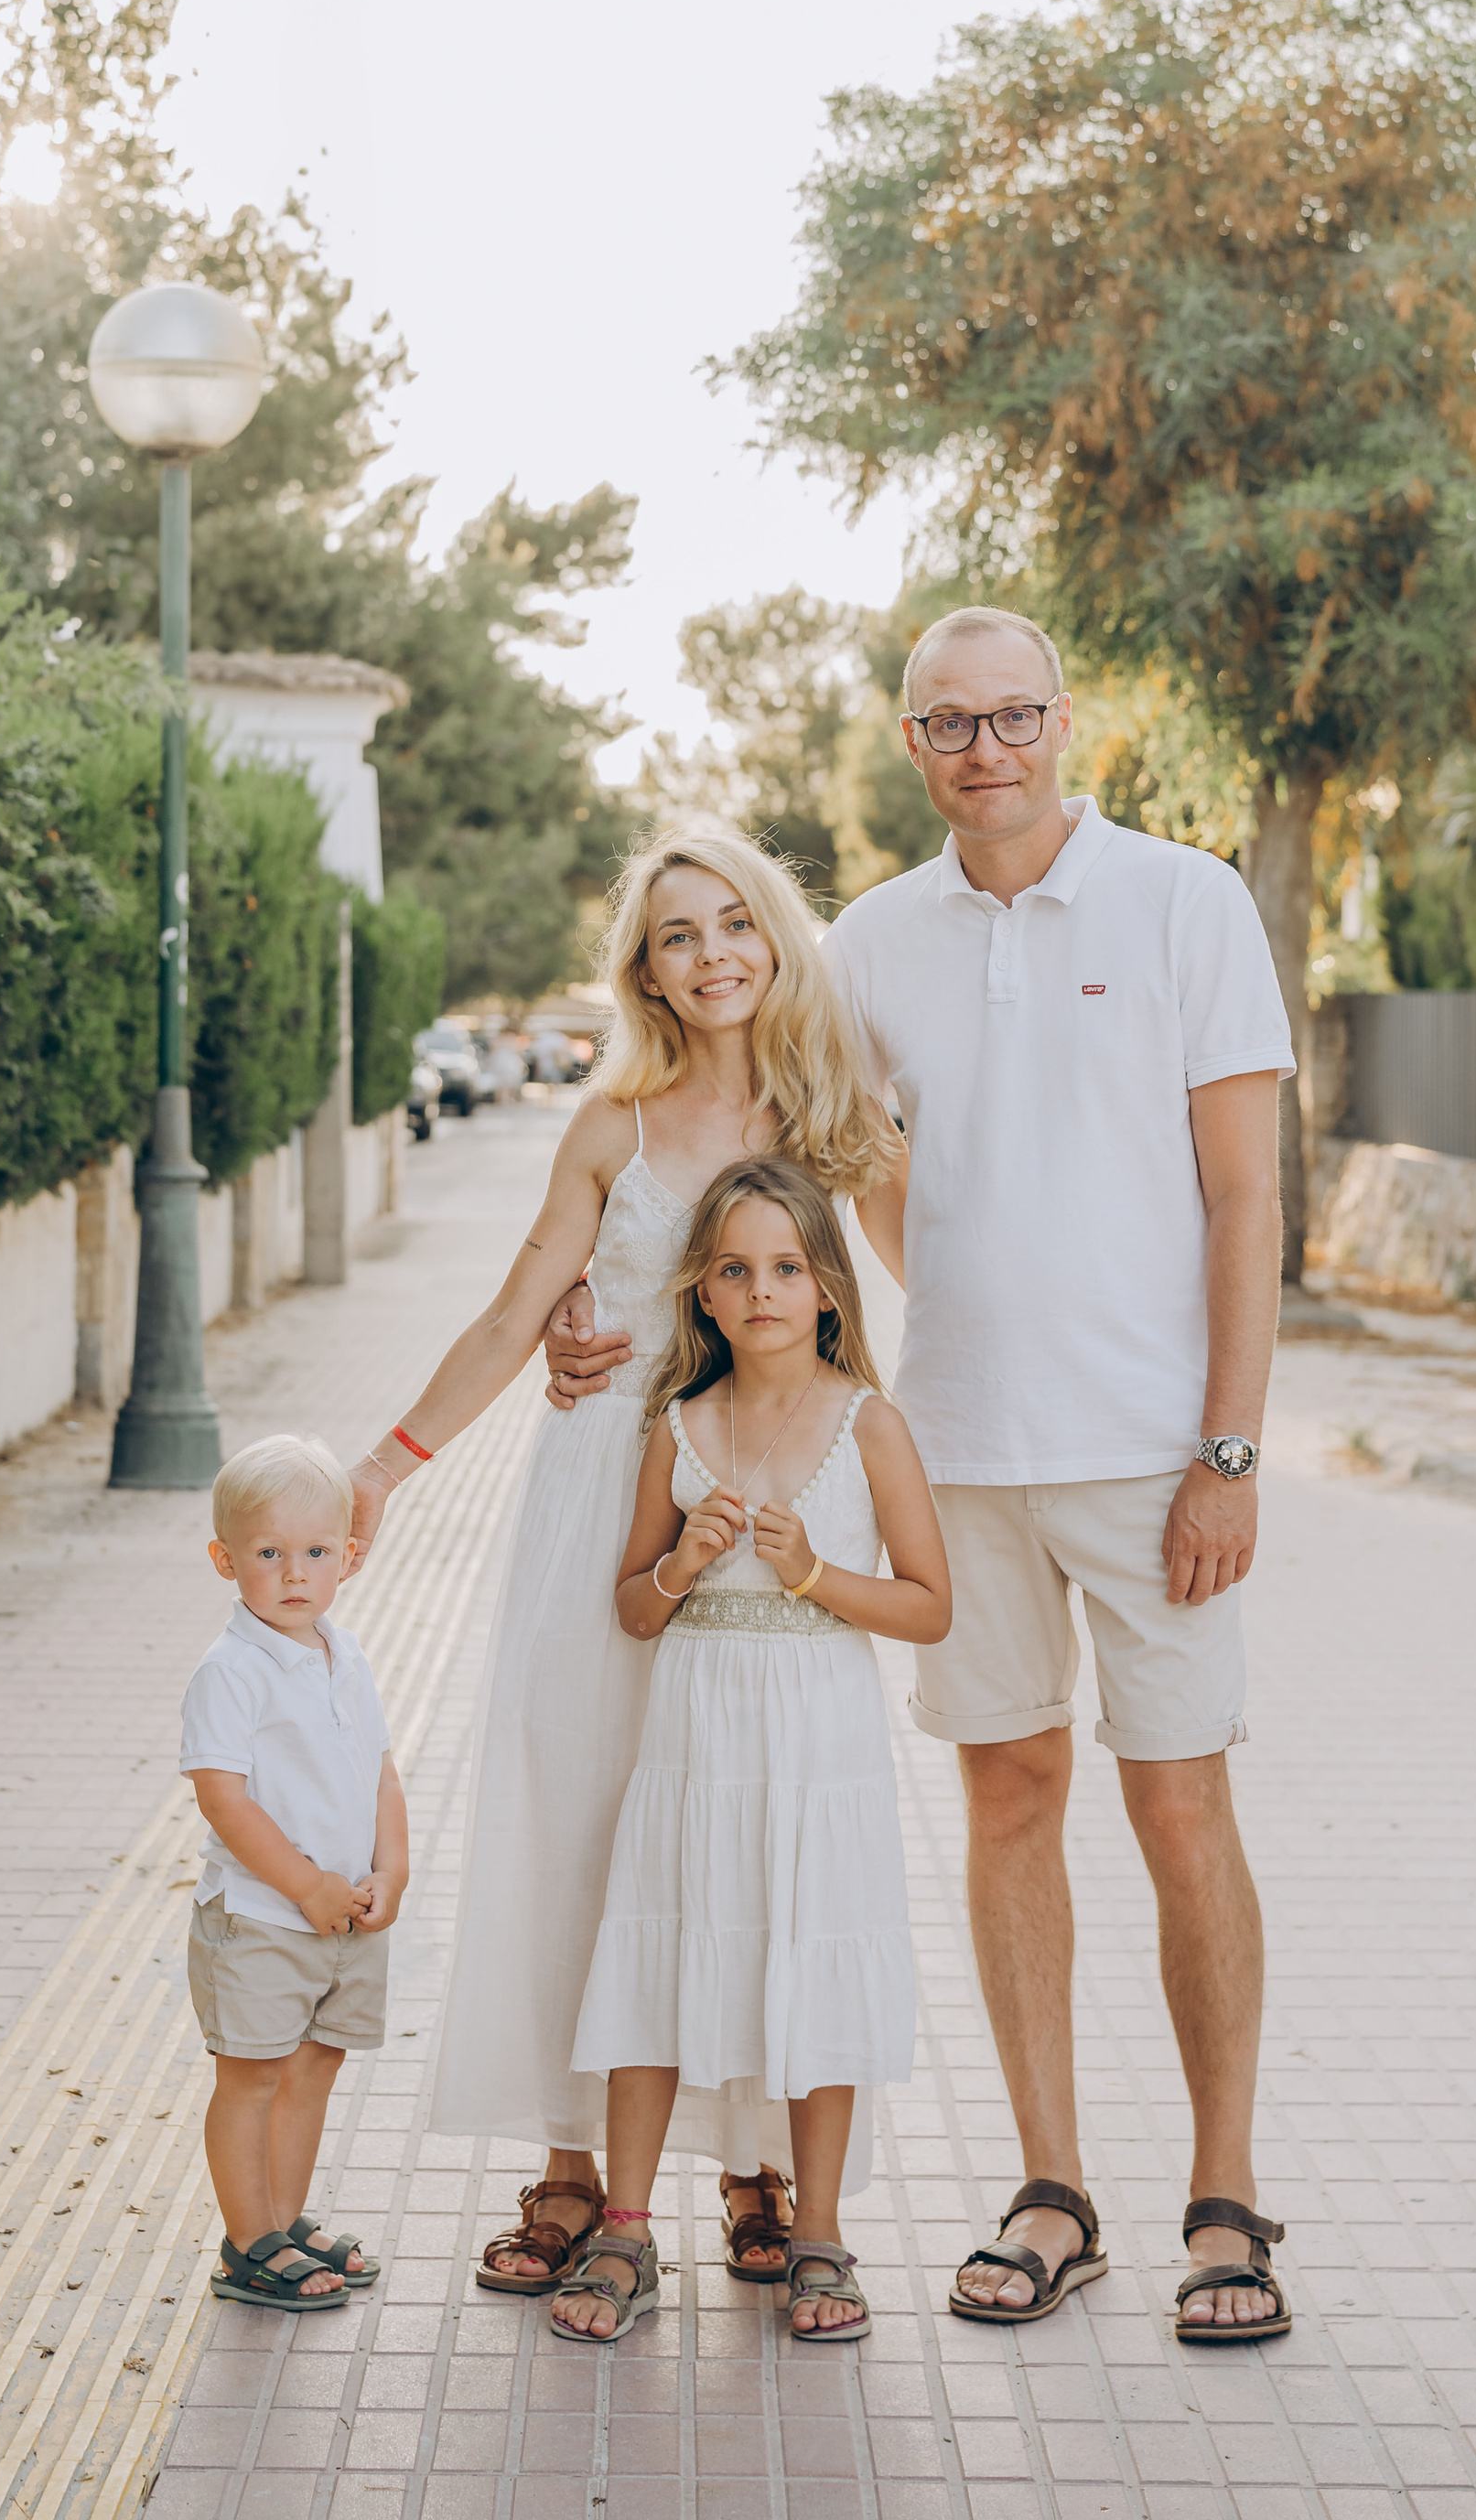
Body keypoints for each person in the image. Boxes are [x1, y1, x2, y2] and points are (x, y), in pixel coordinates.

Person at [545, 608, 1296, 2343]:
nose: (987, 750)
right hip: (952, 1457)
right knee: (1010, 1802)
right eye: (949, 725)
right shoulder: (872, 941)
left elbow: (1249, 1198)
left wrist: (1230, 1448)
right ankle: (1053, 2195)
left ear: (1063, 717)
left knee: (1182, 1810)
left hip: (1155, 1456)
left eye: (1014, 714)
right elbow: (769, 1141)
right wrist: (594, 1305)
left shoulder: (1187, 904)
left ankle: (1227, 2207)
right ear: (910, 743)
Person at [344, 825, 904, 2301]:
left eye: (736, 923)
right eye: (676, 935)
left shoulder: (831, 1106)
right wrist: (385, 1465)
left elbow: (912, 1275)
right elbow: (523, 1304)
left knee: (747, 1818)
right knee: (584, 1815)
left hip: (764, 1493)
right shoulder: (611, 1122)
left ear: (776, 938)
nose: (713, 953)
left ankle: (757, 2163)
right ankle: (575, 2159)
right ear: (642, 968)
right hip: (604, 1493)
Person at [549, 1158, 951, 2348]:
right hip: (695, 1731)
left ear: (828, 1286)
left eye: (786, 1267)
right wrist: (683, 1563)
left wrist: (815, 1573)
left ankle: (818, 2228)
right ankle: (627, 2225)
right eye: (736, 1270)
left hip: (816, 1741)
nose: (762, 1289)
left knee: (813, 1954)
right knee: (661, 1950)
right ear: (705, 1296)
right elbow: (632, 1604)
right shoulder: (678, 1423)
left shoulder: (870, 1424)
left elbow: (931, 1606)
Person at [179, 1433, 407, 2310]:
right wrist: (305, 1883)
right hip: (263, 1918)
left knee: (314, 2066)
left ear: (348, 1557)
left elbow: (380, 1770)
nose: (294, 1572)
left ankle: (283, 2216)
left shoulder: (344, 1656)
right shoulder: (230, 1671)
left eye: (315, 1552)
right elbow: (223, 1800)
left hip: (344, 1913)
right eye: (268, 1554)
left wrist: (396, 1869)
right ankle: (248, 2243)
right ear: (224, 1559)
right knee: (253, 2074)